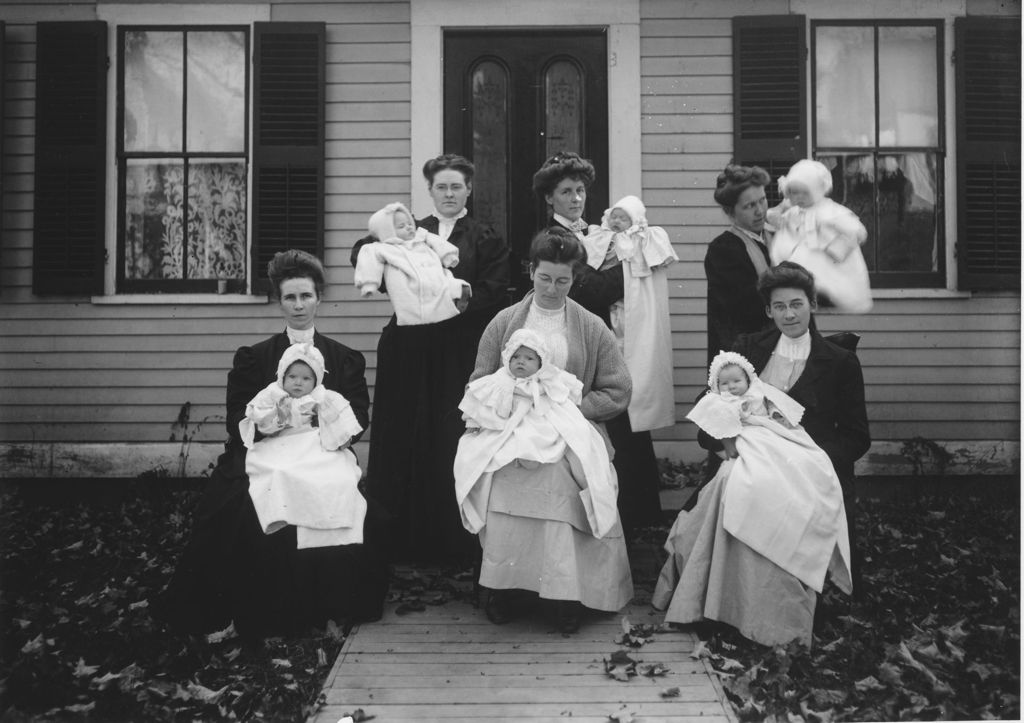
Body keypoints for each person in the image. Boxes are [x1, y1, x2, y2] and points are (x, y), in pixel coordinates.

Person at [156, 250, 388, 638]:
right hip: (264, 451)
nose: (299, 306)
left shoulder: (344, 358)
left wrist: (322, 425)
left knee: (347, 499)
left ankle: (327, 605)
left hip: (321, 453)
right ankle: (255, 609)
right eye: (290, 298)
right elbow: (237, 420)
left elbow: (358, 419)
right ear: (279, 302)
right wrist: (270, 424)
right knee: (234, 504)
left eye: (306, 296)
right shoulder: (255, 358)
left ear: (319, 298)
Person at [653, 262, 869, 646]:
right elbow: (711, 402)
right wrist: (723, 441)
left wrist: (809, 460)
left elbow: (856, 436)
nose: (789, 314)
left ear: (813, 304)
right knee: (735, 484)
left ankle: (775, 615)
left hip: (808, 465)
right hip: (745, 455)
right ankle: (723, 605)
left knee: (770, 495)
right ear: (768, 311)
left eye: (797, 305)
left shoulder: (838, 361)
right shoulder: (748, 348)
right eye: (780, 306)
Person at [467, 227, 634, 634]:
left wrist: (572, 405)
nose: (553, 288)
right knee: (505, 470)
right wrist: (507, 407)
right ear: (531, 271)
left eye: (563, 280)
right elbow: (480, 379)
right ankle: (505, 587)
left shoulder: (591, 327)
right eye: (545, 278)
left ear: (575, 278)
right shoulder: (504, 322)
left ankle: (565, 593)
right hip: (511, 424)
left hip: (570, 425)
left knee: (560, 476)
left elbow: (618, 389)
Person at [350, 154, 510, 565]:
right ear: (430, 191)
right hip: (407, 348)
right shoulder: (408, 229)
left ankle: (454, 542)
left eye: (457, 186)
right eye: (442, 187)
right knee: (405, 432)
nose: (450, 193)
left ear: (469, 190)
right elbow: (364, 252)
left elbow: (494, 291)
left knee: (451, 434)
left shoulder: (486, 237)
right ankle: (400, 539)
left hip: (458, 347)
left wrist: (448, 304)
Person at [531, 152, 662, 532]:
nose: (575, 199)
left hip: (607, 337)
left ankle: (630, 518)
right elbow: (592, 290)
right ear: (549, 199)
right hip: (571, 338)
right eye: (566, 192)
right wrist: (631, 267)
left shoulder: (596, 232)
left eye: (581, 191)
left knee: (622, 417)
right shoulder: (552, 240)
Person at [454, 328, 618, 543]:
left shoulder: (549, 379)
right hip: (508, 426)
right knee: (477, 454)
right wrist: (475, 424)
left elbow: (567, 400)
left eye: (529, 358)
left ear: (541, 363)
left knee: (581, 445)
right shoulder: (498, 380)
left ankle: (592, 497)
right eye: (515, 357)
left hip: (544, 421)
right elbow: (479, 406)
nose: (521, 362)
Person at [239, 343, 366, 550]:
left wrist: (337, 433)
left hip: (313, 441)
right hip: (279, 442)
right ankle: (280, 514)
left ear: (316, 380)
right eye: (292, 377)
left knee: (336, 473)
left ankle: (333, 520)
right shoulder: (272, 395)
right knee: (278, 471)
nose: (298, 383)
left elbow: (341, 424)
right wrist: (278, 418)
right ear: (282, 376)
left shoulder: (323, 397)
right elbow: (261, 425)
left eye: (306, 378)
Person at [582, 194, 678, 433]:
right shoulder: (599, 237)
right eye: (614, 216)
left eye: (623, 218)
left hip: (633, 305)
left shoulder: (643, 240)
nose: (616, 222)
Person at [767, 159, 872, 314]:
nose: (800, 198)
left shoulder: (829, 210)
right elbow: (778, 221)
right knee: (797, 275)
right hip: (802, 252)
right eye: (795, 193)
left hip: (826, 254)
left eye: (805, 192)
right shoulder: (793, 211)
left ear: (816, 190)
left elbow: (855, 229)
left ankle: (825, 295)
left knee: (828, 279)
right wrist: (778, 215)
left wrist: (843, 242)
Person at [704, 164, 775, 368]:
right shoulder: (724, 251)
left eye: (762, 200)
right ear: (730, 212)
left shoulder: (777, 237)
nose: (760, 210)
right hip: (745, 356)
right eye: (749, 206)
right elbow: (745, 311)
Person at [354, 201, 468, 326]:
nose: (409, 227)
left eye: (409, 223)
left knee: (447, 282)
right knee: (412, 300)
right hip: (407, 279)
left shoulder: (421, 236)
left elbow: (438, 243)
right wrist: (369, 284)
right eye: (401, 226)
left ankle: (458, 293)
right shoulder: (381, 248)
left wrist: (448, 256)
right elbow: (369, 263)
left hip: (435, 273)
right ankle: (428, 315)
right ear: (387, 231)